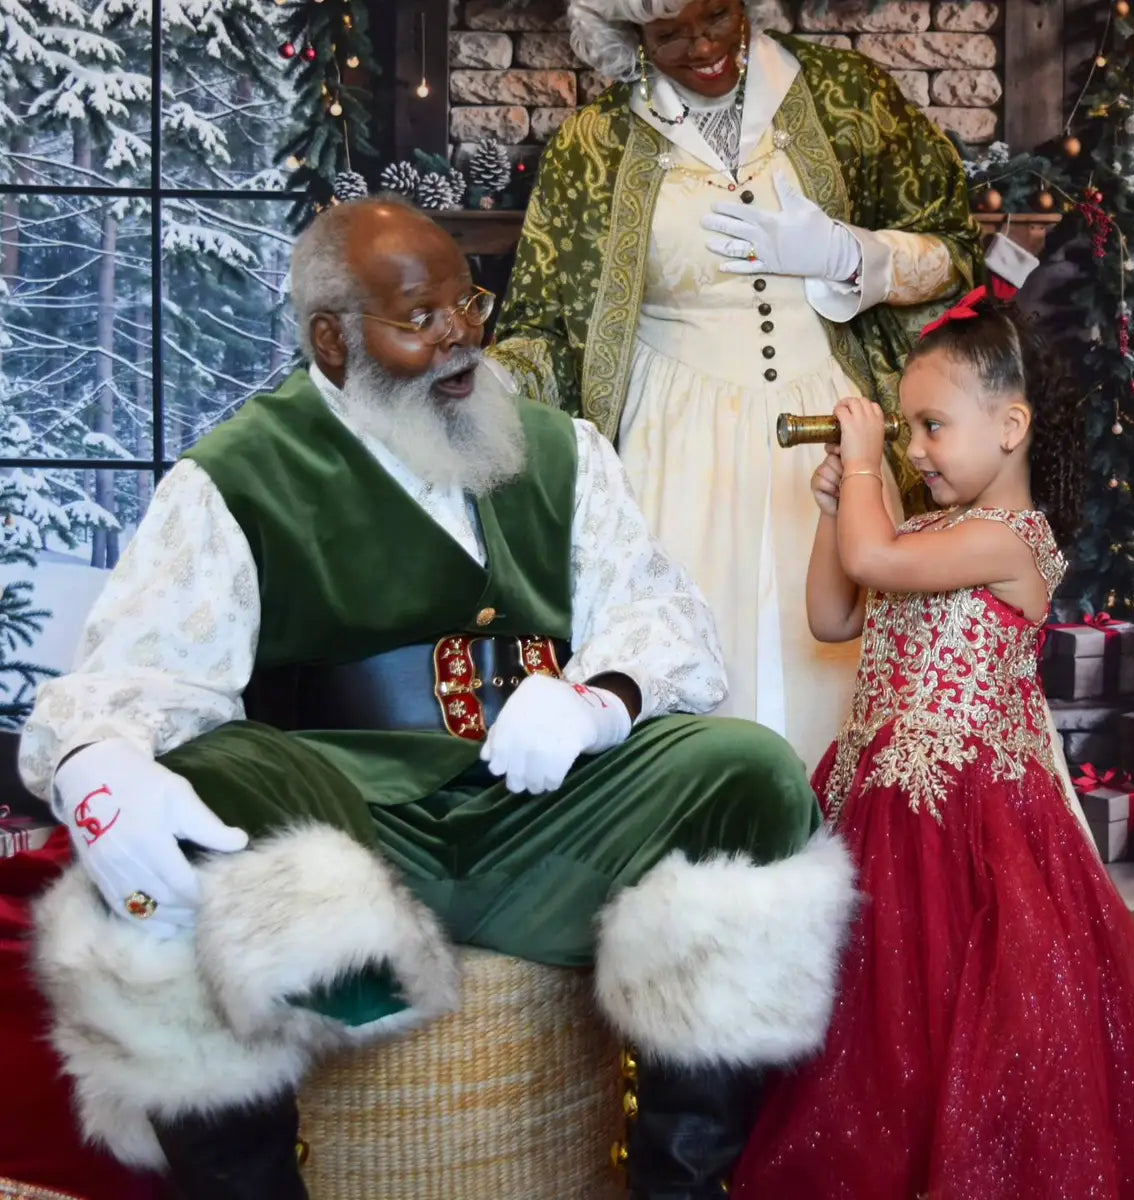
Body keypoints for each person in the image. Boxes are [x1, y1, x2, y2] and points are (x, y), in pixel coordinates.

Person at [20, 197, 856, 1200]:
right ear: (333, 341)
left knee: (747, 771)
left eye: (469, 303)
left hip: (544, 826)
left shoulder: (559, 450)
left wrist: (597, 701)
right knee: (207, 776)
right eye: (419, 320)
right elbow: (131, 676)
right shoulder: (234, 478)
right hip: (356, 840)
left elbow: (666, 622)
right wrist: (99, 765)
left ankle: (682, 1184)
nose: (461, 336)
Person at [731, 289, 1134, 1198]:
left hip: (968, 826)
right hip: (877, 812)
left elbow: (876, 567)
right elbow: (833, 613)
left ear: (1012, 425)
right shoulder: (915, 528)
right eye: (903, 431)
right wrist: (836, 506)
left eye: (931, 427)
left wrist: (863, 473)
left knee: (966, 1022)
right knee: (879, 1029)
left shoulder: (1014, 541)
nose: (912, 452)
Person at [492, 0, 982, 765]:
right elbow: (546, 326)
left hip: (835, 432)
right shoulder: (593, 145)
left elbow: (954, 250)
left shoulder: (847, 94)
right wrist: (476, 388)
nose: (702, 46)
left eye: (716, 16)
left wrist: (851, 255)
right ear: (629, 35)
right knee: (685, 672)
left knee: (858, 682)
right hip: (671, 450)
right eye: (670, 34)